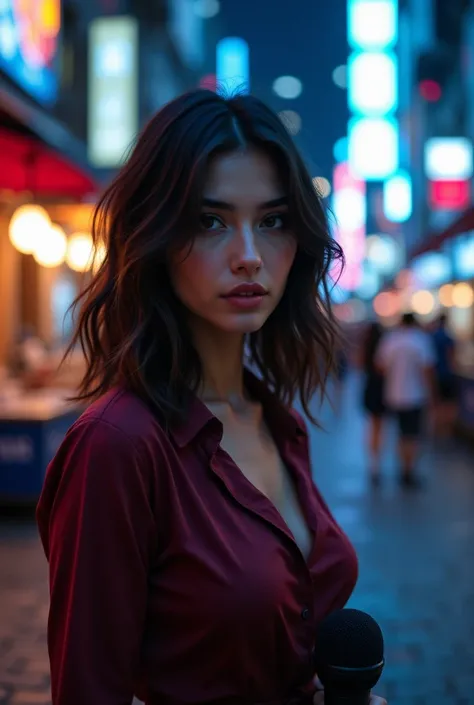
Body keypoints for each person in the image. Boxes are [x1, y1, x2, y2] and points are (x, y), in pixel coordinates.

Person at [36, 90, 387, 705]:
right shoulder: (119, 447)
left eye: (273, 221)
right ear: (154, 236)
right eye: (211, 221)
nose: (249, 256)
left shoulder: (278, 420)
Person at [376, 312, 436, 488]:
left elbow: (380, 365)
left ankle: (401, 467)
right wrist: (432, 394)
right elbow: (427, 369)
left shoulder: (391, 340)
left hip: (393, 394)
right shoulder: (420, 340)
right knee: (412, 435)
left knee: (401, 433)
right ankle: (408, 470)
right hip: (415, 395)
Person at [360, 322, 386, 485]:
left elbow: (359, 364)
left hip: (370, 388)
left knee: (373, 426)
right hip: (383, 389)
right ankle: (377, 462)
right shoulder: (384, 347)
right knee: (380, 427)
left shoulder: (366, 348)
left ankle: (374, 462)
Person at [431, 312, 457, 438]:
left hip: (435, 374)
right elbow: (451, 355)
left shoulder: (433, 336)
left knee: (438, 401)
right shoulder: (447, 337)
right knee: (448, 403)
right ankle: (446, 429)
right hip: (446, 373)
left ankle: (438, 427)